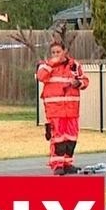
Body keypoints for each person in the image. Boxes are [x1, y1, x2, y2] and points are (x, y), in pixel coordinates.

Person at [36, 40, 89, 175]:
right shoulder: (45, 66)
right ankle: (57, 165)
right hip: (55, 110)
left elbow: (85, 81)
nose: (55, 55)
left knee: (71, 137)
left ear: (65, 52)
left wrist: (78, 83)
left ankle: (67, 163)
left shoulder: (74, 66)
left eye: (58, 52)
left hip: (72, 109)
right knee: (58, 138)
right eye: (53, 52)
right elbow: (40, 77)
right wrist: (52, 63)